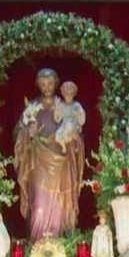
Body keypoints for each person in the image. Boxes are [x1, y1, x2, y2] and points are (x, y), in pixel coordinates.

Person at [14, 69, 84, 240]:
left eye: (50, 83)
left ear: (56, 84)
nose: (47, 87)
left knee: (60, 207)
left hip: (61, 163)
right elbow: (18, 132)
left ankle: (59, 245)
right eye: (43, 84)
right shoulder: (32, 108)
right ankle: (37, 245)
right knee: (39, 205)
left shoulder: (66, 106)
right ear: (38, 85)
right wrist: (27, 133)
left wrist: (75, 139)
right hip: (39, 162)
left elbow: (77, 136)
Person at [54, 81, 86, 151]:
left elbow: (81, 119)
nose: (68, 95)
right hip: (64, 125)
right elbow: (57, 119)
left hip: (73, 124)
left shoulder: (76, 105)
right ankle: (63, 145)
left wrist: (78, 114)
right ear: (63, 93)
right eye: (66, 93)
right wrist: (56, 107)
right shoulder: (61, 105)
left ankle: (74, 140)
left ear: (74, 94)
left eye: (71, 93)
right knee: (57, 134)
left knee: (69, 126)